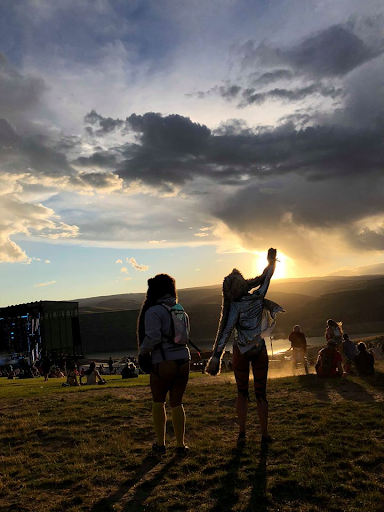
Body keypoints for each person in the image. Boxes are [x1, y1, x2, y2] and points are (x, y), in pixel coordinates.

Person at [206, 248, 285, 446]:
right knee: (261, 393)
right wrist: (271, 262)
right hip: (259, 348)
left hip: (241, 350)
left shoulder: (233, 307)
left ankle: (242, 433)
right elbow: (266, 278)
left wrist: (216, 356)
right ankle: (264, 434)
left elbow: (225, 331)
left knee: (242, 393)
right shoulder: (259, 296)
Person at [138, 273, 191, 456]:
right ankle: (180, 444)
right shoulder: (180, 310)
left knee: (158, 401)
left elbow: (152, 337)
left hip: (163, 360)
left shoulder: (153, 311)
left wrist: (143, 352)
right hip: (184, 359)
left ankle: (160, 444)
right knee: (177, 403)